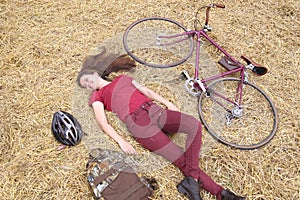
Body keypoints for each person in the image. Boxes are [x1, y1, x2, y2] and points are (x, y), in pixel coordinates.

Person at [77, 48, 246, 200]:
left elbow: (147, 91)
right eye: (84, 85)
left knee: (194, 125)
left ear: (94, 73)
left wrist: (168, 103)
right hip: (140, 125)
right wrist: (122, 141)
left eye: (86, 79)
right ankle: (223, 194)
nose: (87, 84)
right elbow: (103, 124)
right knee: (180, 160)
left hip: (157, 111)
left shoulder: (123, 78)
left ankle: (191, 181)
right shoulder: (97, 96)